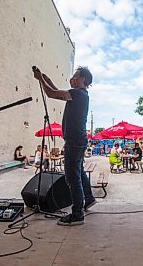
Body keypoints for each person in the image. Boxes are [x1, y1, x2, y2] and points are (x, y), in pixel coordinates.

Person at [33, 65, 95, 226]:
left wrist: (40, 80)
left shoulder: (77, 94)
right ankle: (88, 199)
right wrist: (46, 79)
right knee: (79, 172)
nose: (72, 78)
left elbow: (52, 94)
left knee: (72, 178)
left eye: (76, 76)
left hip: (74, 142)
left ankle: (77, 214)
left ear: (84, 79)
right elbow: (55, 90)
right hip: (78, 141)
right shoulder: (80, 94)